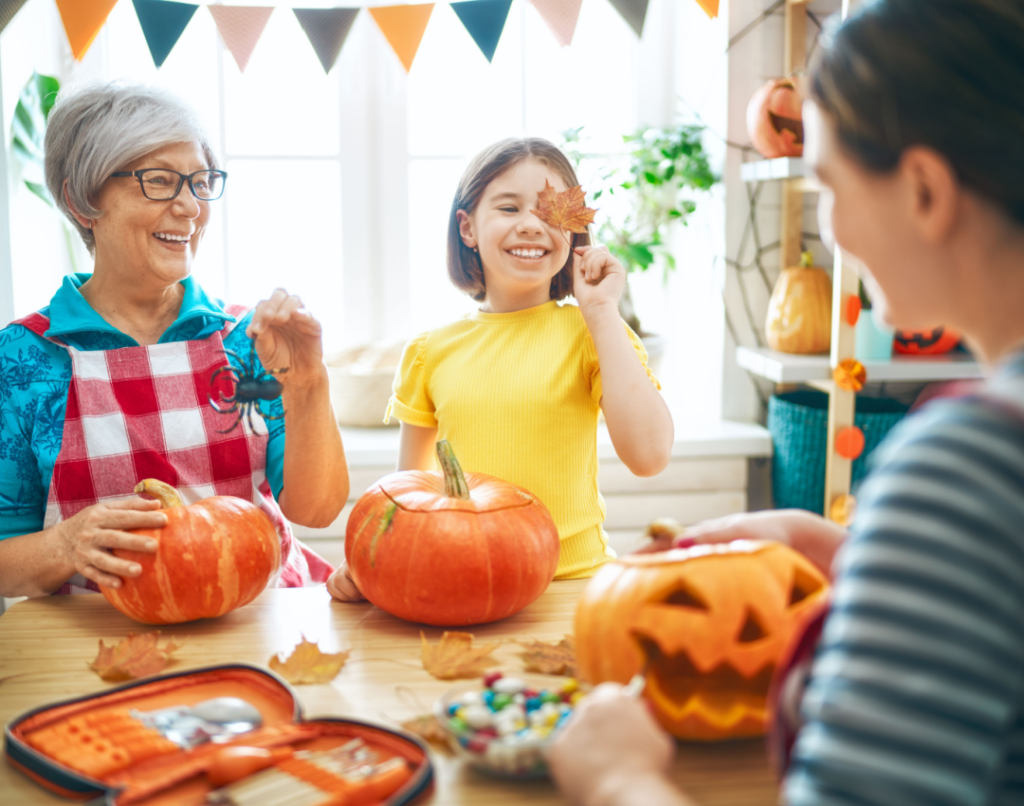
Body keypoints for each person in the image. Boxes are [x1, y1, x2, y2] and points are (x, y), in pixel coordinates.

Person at [549, 0, 1024, 804]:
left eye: (831, 188)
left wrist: (617, 778)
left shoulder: (968, 462)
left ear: (924, 191)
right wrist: (849, 550)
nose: (831, 231)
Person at [0, 82, 349, 598]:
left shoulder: (244, 341)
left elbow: (317, 511)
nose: (191, 207)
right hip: (100, 641)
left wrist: (309, 384)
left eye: (201, 182)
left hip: (259, 621)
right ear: (81, 200)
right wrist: (64, 546)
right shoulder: (25, 358)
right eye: (160, 181)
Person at [327, 137, 673, 598]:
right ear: (467, 228)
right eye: (509, 208)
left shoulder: (595, 332)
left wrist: (602, 313)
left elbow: (649, 456)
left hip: (573, 586)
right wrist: (369, 565)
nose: (532, 225)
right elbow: (409, 493)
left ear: (574, 227)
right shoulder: (430, 351)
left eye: (551, 212)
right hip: (468, 585)